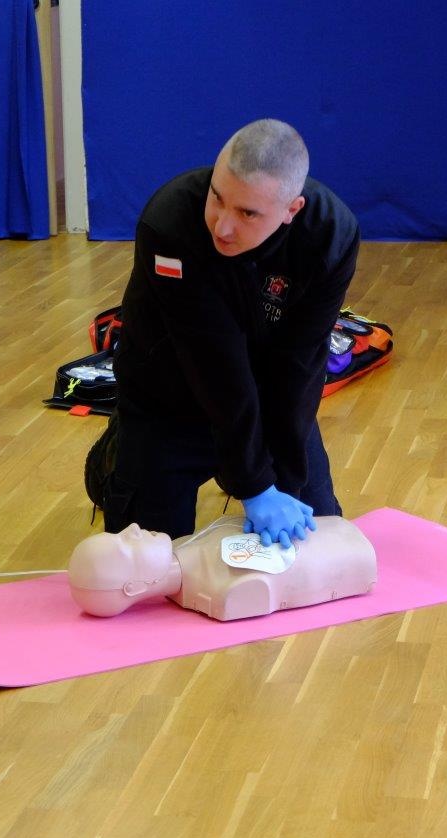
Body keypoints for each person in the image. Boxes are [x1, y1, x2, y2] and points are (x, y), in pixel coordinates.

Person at [85, 119, 360, 545]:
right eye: (217, 197)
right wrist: (255, 486)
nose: (222, 226)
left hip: (267, 397)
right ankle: (113, 459)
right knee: (150, 562)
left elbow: (302, 363)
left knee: (315, 538)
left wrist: (283, 486)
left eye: (247, 213)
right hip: (167, 397)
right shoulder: (170, 223)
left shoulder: (330, 236)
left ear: (292, 210)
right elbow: (213, 363)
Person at [67, 516, 377, 621]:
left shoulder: (185, 544)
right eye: (124, 544)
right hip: (347, 553)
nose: (132, 528)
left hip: (328, 531)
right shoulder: (222, 590)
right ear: (133, 587)